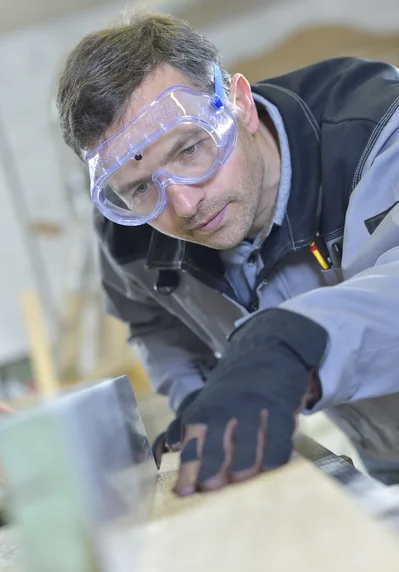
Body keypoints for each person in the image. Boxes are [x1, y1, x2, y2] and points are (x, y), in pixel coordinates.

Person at [56, 10, 399, 496]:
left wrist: (288, 341)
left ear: (239, 103)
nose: (184, 203)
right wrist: (203, 397)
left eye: (189, 149)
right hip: (385, 455)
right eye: (138, 188)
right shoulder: (128, 235)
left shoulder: (380, 126)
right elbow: (154, 321)